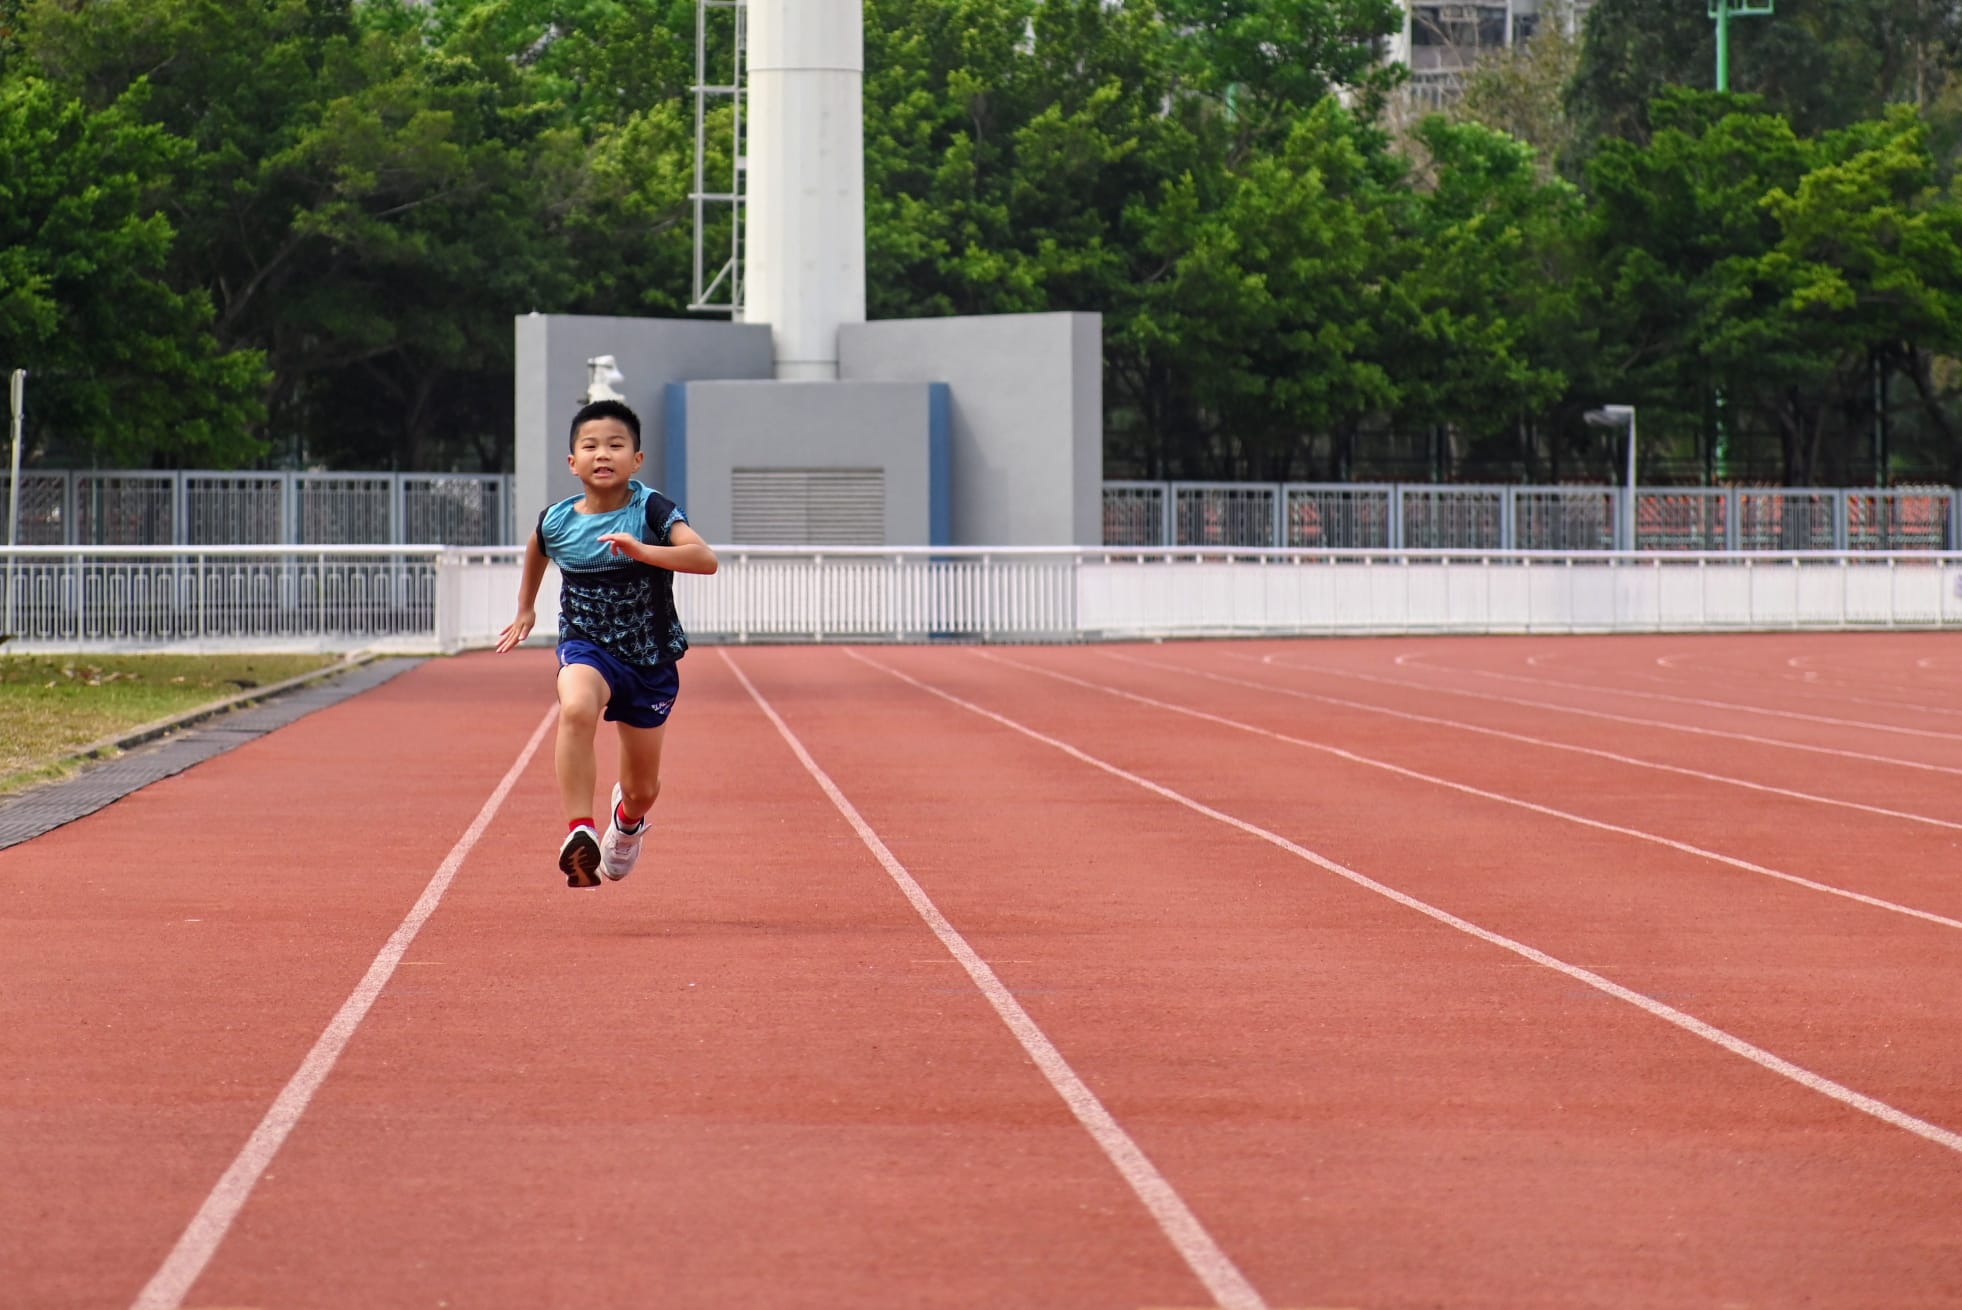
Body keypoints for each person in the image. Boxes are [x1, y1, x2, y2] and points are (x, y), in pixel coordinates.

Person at [496, 399, 719, 888]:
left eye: (615, 445)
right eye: (590, 446)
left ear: (636, 460)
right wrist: (526, 607)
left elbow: (705, 559)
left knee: (642, 789)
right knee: (576, 707)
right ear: (572, 462)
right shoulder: (556, 520)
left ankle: (627, 824)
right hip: (587, 646)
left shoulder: (652, 509)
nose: (602, 454)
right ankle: (581, 830)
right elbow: (537, 547)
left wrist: (644, 551)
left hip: (648, 659)